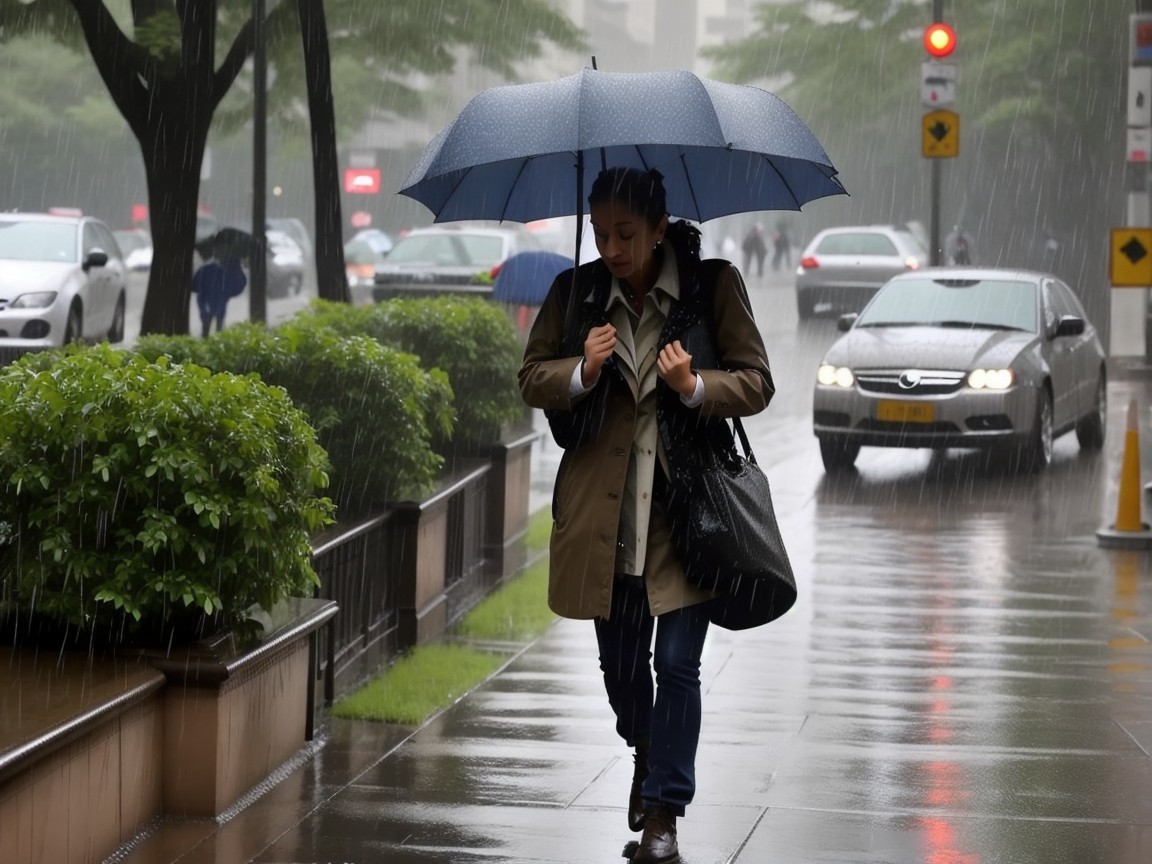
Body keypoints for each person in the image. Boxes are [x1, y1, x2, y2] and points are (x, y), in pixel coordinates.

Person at [518, 167, 773, 864]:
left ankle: (664, 814)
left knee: (679, 666)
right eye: (600, 233)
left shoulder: (711, 287)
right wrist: (583, 370)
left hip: (688, 517)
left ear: (661, 228)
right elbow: (531, 374)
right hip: (607, 521)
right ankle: (647, 746)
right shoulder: (577, 293)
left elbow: (756, 381)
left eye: (626, 234)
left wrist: (694, 386)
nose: (611, 247)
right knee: (622, 669)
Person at [192, 252, 247, 338]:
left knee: (206, 324)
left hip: (205, 299)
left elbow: (194, 285)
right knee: (218, 323)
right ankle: (217, 342)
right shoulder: (225, 271)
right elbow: (239, 284)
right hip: (218, 299)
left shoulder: (204, 269)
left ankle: (205, 340)